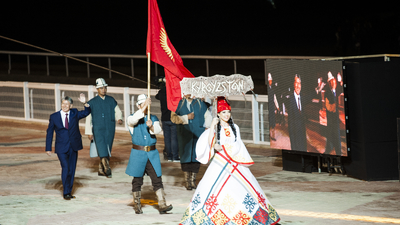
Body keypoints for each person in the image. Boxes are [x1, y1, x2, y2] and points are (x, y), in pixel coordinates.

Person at [179, 97, 281, 225]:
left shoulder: (235, 127)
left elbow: (238, 145)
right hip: (219, 163)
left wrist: (226, 149)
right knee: (214, 191)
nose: (226, 115)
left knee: (245, 189)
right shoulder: (215, 127)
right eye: (223, 112)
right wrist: (212, 127)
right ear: (218, 113)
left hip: (235, 163)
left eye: (228, 112)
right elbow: (209, 142)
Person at [125, 94, 173, 214]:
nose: (145, 107)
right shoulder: (132, 118)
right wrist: (144, 107)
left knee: (157, 179)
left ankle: (162, 205)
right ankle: (137, 204)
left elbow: (158, 130)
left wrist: (151, 126)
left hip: (152, 154)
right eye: (142, 104)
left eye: (146, 104)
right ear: (138, 105)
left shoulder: (153, 118)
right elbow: (133, 120)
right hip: (138, 153)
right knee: (137, 180)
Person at [45, 94, 91, 200]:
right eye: (63, 103)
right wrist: (48, 147)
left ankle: (68, 192)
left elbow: (87, 112)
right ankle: (65, 192)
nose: (65, 106)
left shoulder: (74, 113)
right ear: (61, 104)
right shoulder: (54, 116)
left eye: (67, 104)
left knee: (72, 169)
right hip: (61, 147)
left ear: (71, 105)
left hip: (73, 146)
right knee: (66, 167)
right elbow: (50, 132)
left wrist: (85, 103)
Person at [85, 78, 123, 178]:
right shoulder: (91, 103)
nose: (103, 90)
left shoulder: (111, 100)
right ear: (97, 89)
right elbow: (88, 119)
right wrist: (89, 132)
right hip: (98, 129)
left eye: (105, 88)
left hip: (110, 128)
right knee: (101, 147)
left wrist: (119, 118)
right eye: (101, 88)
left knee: (108, 148)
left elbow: (118, 111)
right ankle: (107, 168)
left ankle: (100, 170)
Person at [173, 94, 212, 190]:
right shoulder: (179, 104)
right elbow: (173, 118)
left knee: (196, 156)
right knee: (185, 156)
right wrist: (186, 117)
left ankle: (193, 180)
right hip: (184, 134)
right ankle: (187, 181)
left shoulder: (200, 103)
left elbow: (208, 116)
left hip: (198, 134)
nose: (189, 93)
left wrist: (207, 127)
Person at [155, 83, 180, 162]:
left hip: (164, 118)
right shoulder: (173, 92)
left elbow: (157, 97)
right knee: (174, 138)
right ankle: (175, 156)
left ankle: (169, 156)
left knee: (167, 139)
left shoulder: (162, 91)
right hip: (173, 117)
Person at [287, 74, 307, 151]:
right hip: (295, 135)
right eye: (296, 83)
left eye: (300, 83)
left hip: (302, 134)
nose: (298, 86)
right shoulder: (290, 99)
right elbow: (290, 123)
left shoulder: (302, 97)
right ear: (293, 84)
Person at [324, 72, 342, 155]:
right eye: (331, 82)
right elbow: (329, 107)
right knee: (330, 135)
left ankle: (338, 152)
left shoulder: (336, 91)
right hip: (330, 119)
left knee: (336, 135)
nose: (333, 83)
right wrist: (335, 104)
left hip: (335, 119)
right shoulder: (327, 93)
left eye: (334, 81)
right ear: (329, 83)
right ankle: (329, 149)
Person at [267, 73, 280, 141]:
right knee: (269, 121)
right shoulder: (267, 89)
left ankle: (273, 135)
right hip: (268, 107)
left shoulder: (272, 89)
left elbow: (274, 98)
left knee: (273, 121)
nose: (271, 82)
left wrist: (277, 106)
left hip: (272, 107)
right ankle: (269, 134)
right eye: (270, 80)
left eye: (271, 80)